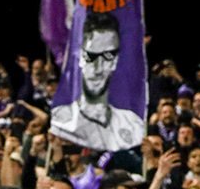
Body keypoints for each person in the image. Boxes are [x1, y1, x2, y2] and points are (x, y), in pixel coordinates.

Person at [51, 11, 144, 150]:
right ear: (80, 57)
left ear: (116, 60)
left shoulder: (132, 123)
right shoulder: (62, 121)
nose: (98, 69)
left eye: (107, 56)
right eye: (91, 56)